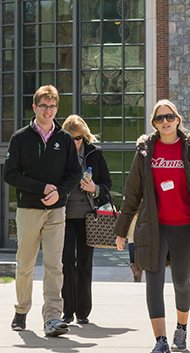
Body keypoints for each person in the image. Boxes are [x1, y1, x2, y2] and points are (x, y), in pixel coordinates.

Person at [114, 99, 190, 353]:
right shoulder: (144, 152)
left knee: (182, 282)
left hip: (185, 228)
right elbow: (132, 193)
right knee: (153, 282)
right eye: (160, 118)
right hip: (155, 227)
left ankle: (181, 330)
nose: (165, 122)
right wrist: (121, 229)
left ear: (177, 119)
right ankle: (160, 342)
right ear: (154, 123)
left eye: (169, 117)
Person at [3, 85, 82, 337]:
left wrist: (60, 192)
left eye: (52, 106)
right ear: (35, 107)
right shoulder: (20, 138)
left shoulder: (65, 139)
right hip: (28, 210)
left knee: (54, 265)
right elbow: (10, 174)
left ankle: (52, 318)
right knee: (25, 264)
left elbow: (74, 173)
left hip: (56, 212)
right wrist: (41, 188)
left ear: (57, 109)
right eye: (43, 106)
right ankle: (21, 311)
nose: (48, 110)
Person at [60, 114, 112, 325]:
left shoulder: (94, 153)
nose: (75, 141)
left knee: (84, 263)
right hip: (63, 216)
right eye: (71, 138)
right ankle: (67, 311)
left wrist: (95, 188)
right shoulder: (59, 153)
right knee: (66, 262)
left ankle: (83, 311)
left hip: (88, 217)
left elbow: (107, 183)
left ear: (85, 136)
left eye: (79, 137)